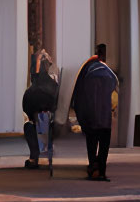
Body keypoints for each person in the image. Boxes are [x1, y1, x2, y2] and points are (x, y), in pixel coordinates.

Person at [70, 42, 118, 180]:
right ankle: (101, 170)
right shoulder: (107, 72)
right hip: (104, 117)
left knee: (91, 143)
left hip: (90, 116)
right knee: (104, 146)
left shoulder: (89, 68)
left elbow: (79, 95)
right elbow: (114, 92)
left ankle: (93, 166)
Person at [22, 50, 59, 168]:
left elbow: (27, 109)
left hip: (38, 116)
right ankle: (44, 155)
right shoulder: (54, 85)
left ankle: (34, 157)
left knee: (29, 126)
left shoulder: (32, 90)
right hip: (51, 119)